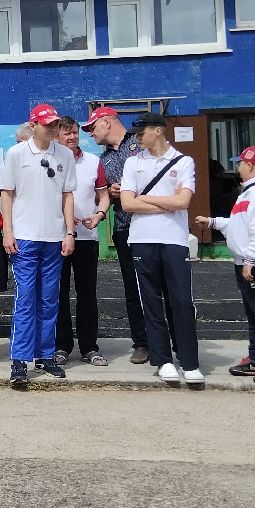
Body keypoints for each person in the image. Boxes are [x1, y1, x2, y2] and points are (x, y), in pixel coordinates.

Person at [120, 112, 201, 386]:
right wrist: (166, 201)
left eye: (141, 131)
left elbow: (183, 202)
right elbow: (128, 205)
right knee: (151, 301)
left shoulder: (184, 161)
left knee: (181, 301)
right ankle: (163, 359)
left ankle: (189, 362)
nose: (137, 136)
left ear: (158, 130)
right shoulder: (132, 163)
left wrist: (146, 197)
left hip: (174, 238)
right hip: (143, 238)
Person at [0, 103, 76, 389]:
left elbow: (68, 195)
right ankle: (20, 359)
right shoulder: (16, 153)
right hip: (25, 236)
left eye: (55, 124)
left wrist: (70, 232)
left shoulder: (65, 154)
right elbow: (7, 194)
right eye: (48, 124)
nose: (53, 128)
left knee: (49, 299)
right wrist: (8, 232)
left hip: (54, 236)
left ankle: (45, 354)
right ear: (33, 126)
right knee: (26, 298)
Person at [198, 146, 255, 383]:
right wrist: (213, 222)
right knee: (254, 313)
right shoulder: (250, 191)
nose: (237, 167)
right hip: (247, 261)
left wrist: (250, 261)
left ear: (249, 165)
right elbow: (239, 225)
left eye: (239, 163)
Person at [84, 106, 151, 363]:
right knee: (132, 288)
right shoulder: (104, 160)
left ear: (107, 122)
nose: (90, 133)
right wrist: (110, 195)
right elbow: (103, 196)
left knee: (159, 285)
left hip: (152, 225)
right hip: (125, 227)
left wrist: (130, 190)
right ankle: (141, 342)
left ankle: (169, 338)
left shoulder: (140, 143)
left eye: (93, 127)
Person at [54, 115, 110, 366]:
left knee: (87, 293)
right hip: (57, 237)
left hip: (87, 236)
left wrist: (99, 215)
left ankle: (89, 346)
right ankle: (62, 345)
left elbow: (104, 196)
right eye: (66, 133)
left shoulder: (93, 162)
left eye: (75, 132)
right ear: (56, 136)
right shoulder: (50, 162)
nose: (72, 137)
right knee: (59, 293)